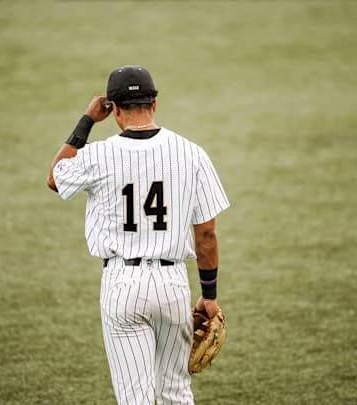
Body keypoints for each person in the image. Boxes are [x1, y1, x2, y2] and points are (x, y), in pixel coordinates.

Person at [47, 65, 229, 405]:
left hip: (122, 285)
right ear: (155, 104)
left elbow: (56, 178)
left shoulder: (99, 154)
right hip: (173, 284)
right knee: (176, 393)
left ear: (113, 109)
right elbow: (206, 234)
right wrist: (209, 295)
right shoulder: (192, 153)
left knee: (135, 399)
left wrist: (86, 120)